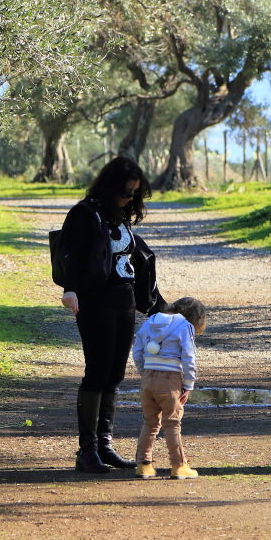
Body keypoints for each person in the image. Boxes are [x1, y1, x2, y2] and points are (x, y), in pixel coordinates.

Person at [58, 156, 164, 474]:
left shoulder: (119, 216)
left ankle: (105, 445)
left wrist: (157, 304)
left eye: (134, 193)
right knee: (97, 372)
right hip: (95, 301)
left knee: (115, 374)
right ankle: (86, 450)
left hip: (124, 301)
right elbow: (72, 256)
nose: (129, 198)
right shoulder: (84, 213)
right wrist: (70, 289)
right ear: (109, 187)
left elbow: (136, 259)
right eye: (125, 192)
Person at [131, 297, 206, 479]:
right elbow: (189, 358)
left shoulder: (151, 321)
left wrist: (145, 372)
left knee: (150, 422)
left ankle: (143, 465)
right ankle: (179, 466)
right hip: (170, 380)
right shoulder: (185, 326)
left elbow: (137, 350)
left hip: (148, 377)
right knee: (172, 423)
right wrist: (188, 385)